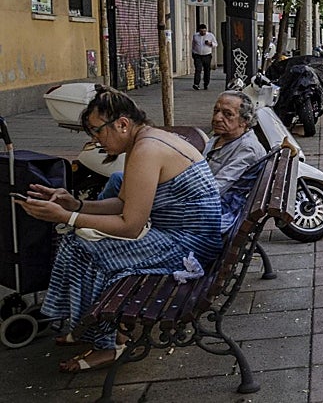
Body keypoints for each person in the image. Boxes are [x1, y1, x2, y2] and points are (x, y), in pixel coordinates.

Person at [16, 86, 222, 373]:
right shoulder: (147, 140)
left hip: (189, 248)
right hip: (185, 237)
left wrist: (67, 217)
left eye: (98, 132)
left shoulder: (147, 149)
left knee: (82, 247)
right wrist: (75, 205)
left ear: (122, 124)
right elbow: (124, 203)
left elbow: (130, 225)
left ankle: (109, 343)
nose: (95, 140)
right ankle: (88, 326)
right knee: (79, 241)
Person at [204, 91, 267, 232]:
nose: (217, 118)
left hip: (220, 212)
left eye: (227, 114)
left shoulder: (248, 148)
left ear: (244, 121)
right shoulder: (219, 138)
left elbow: (217, 187)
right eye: (216, 111)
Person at [192, 24, 218, 90]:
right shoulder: (195, 36)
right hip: (197, 55)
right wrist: (193, 53)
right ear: (199, 31)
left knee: (207, 70)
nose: (203, 33)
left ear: (206, 30)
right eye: (201, 31)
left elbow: (216, 44)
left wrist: (210, 44)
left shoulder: (210, 35)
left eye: (204, 31)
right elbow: (193, 45)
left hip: (207, 55)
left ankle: (206, 83)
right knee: (198, 69)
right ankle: (196, 84)